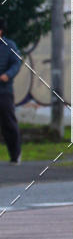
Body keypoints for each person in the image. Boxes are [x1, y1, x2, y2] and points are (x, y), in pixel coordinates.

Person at [0, 18, 22, 163]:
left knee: (8, 123)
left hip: (4, 91)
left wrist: (8, 75)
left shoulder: (9, 46)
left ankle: (15, 155)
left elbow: (17, 62)